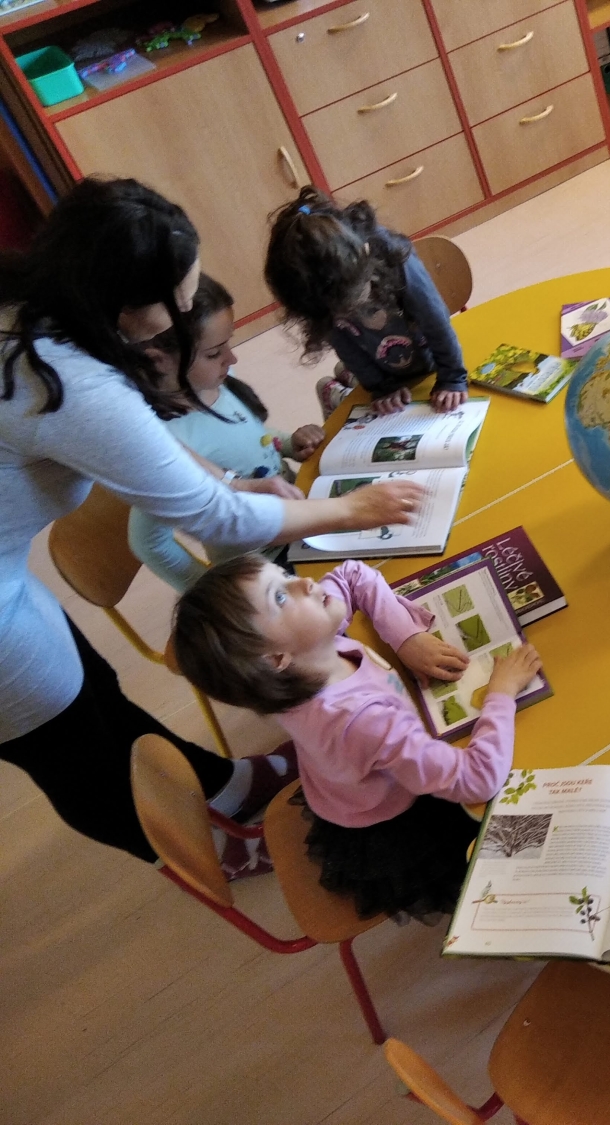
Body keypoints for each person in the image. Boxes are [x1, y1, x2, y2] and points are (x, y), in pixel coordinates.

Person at [0, 177, 423, 866]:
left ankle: (228, 784)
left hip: (9, 576)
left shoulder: (43, 307)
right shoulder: (68, 380)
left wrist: (228, 478)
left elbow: (153, 447)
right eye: (179, 304)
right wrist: (354, 507)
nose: (186, 314)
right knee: (77, 752)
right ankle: (212, 852)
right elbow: (210, 514)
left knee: (95, 694)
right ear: (127, 306)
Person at [172, 555, 543, 919]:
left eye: (283, 574)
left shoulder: (301, 661)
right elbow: (478, 778)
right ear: (274, 658)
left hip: (352, 785)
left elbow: (351, 574)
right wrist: (501, 693)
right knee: (520, 833)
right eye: (280, 596)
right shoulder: (362, 722)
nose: (303, 582)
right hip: (404, 818)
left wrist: (406, 637)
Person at [128, 274, 326, 593]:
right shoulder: (163, 445)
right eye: (214, 353)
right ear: (159, 360)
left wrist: (289, 444)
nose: (232, 358)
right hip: (265, 569)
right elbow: (147, 542)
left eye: (228, 344)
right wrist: (213, 591)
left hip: (300, 519)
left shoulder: (213, 382)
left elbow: (249, 436)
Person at [265, 186, 468, 418]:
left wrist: (452, 377)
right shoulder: (315, 291)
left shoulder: (392, 254)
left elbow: (435, 320)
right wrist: (381, 387)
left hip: (430, 361)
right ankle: (339, 384)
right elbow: (342, 343)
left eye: (355, 300)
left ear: (366, 255)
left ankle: (343, 379)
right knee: (357, 374)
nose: (348, 313)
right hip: (385, 368)